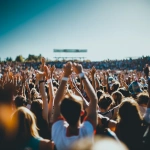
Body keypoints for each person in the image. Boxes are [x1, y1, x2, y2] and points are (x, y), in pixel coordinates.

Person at [52, 62, 98, 150]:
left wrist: (65, 75)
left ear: (62, 114)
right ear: (82, 112)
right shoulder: (87, 131)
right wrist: (81, 74)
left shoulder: (58, 130)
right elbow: (94, 100)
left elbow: (56, 101)